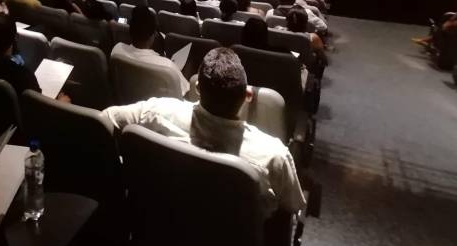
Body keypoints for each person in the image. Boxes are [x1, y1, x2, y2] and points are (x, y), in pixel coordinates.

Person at [102, 48, 306, 217]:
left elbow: (104, 119)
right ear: (248, 95)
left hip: (160, 229)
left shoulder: (157, 112)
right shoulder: (273, 156)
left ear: (197, 88)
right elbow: (292, 207)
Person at [111, 6, 189, 95]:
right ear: (153, 35)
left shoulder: (116, 50)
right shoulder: (167, 66)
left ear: (130, 31)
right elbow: (186, 92)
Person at [412, 1, 457, 69]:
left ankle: (428, 40)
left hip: (450, 49)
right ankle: (428, 40)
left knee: (440, 31)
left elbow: (444, 28)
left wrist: (453, 18)